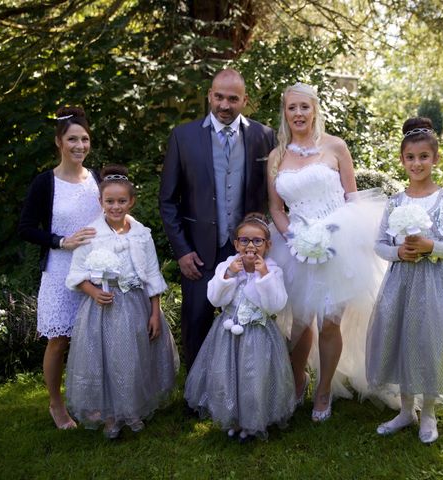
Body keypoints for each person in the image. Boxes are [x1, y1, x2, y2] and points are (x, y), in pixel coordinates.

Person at [268, 82, 387, 422]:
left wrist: (336, 234)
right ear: (285, 112)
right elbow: (276, 208)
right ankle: (295, 381)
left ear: (315, 109)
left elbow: (352, 197)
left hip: (339, 242)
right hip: (296, 245)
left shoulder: (335, 146)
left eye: (304, 107)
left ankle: (324, 391)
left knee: (329, 323)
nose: (298, 114)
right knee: (298, 324)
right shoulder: (278, 155)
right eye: (292, 108)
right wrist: (292, 236)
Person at [365, 118, 443, 443]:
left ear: (435, 159)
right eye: (411, 158)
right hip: (401, 285)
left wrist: (433, 247)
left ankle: (427, 413)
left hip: (435, 286)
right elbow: (379, 245)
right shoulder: (396, 202)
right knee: (403, 341)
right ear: (403, 160)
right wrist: (400, 252)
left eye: (424, 157)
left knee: (428, 343)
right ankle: (405, 410)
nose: (417, 163)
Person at [159, 68, 276, 370]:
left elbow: (271, 194)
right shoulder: (183, 137)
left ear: (245, 100)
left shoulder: (264, 136)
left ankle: (239, 390)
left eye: (233, 99)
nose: (225, 105)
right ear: (210, 96)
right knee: (196, 320)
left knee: (245, 321)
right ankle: (195, 396)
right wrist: (183, 251)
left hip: (245, 250)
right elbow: (168, 201)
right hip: (197, 252)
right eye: (219, 97)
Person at [64, 164, 179, 439]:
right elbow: (77, 275)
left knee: (135, 359)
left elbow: (151, 274)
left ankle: (133, 408)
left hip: (137, 305)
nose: (116, 207)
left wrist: (155, 313)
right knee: (110, 361)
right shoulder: (90, 235)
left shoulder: (142, 234)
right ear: (100, 202)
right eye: (110, 201)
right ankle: (112, 415)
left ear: (132, 201)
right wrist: (94, 292)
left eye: (122, 201)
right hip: (104, 308)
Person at [18, 106, 101, 430]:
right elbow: (25, 228)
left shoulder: (96, 179)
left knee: (92, 339)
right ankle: (57, 404)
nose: (79, 145)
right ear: (58, 142)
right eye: (72, 139)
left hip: (93, 271)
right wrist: (60, 241)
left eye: (84, 139)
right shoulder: (45, 183)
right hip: (60, 271)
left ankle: (89, 402)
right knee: (59, 340)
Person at [184, 213, 296, 442]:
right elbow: (215, 299)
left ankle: (253, 423)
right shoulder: (227, 266)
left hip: (258, 334)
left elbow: (276, 304)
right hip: (228, 333)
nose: (250, 246)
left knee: (253, 377)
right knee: (229, 375)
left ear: (268, 245)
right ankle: (233, 418)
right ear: (236, 243)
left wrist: (263, 276)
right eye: (244, 240)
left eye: (257, 241)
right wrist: (229, 274)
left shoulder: (272, 270)